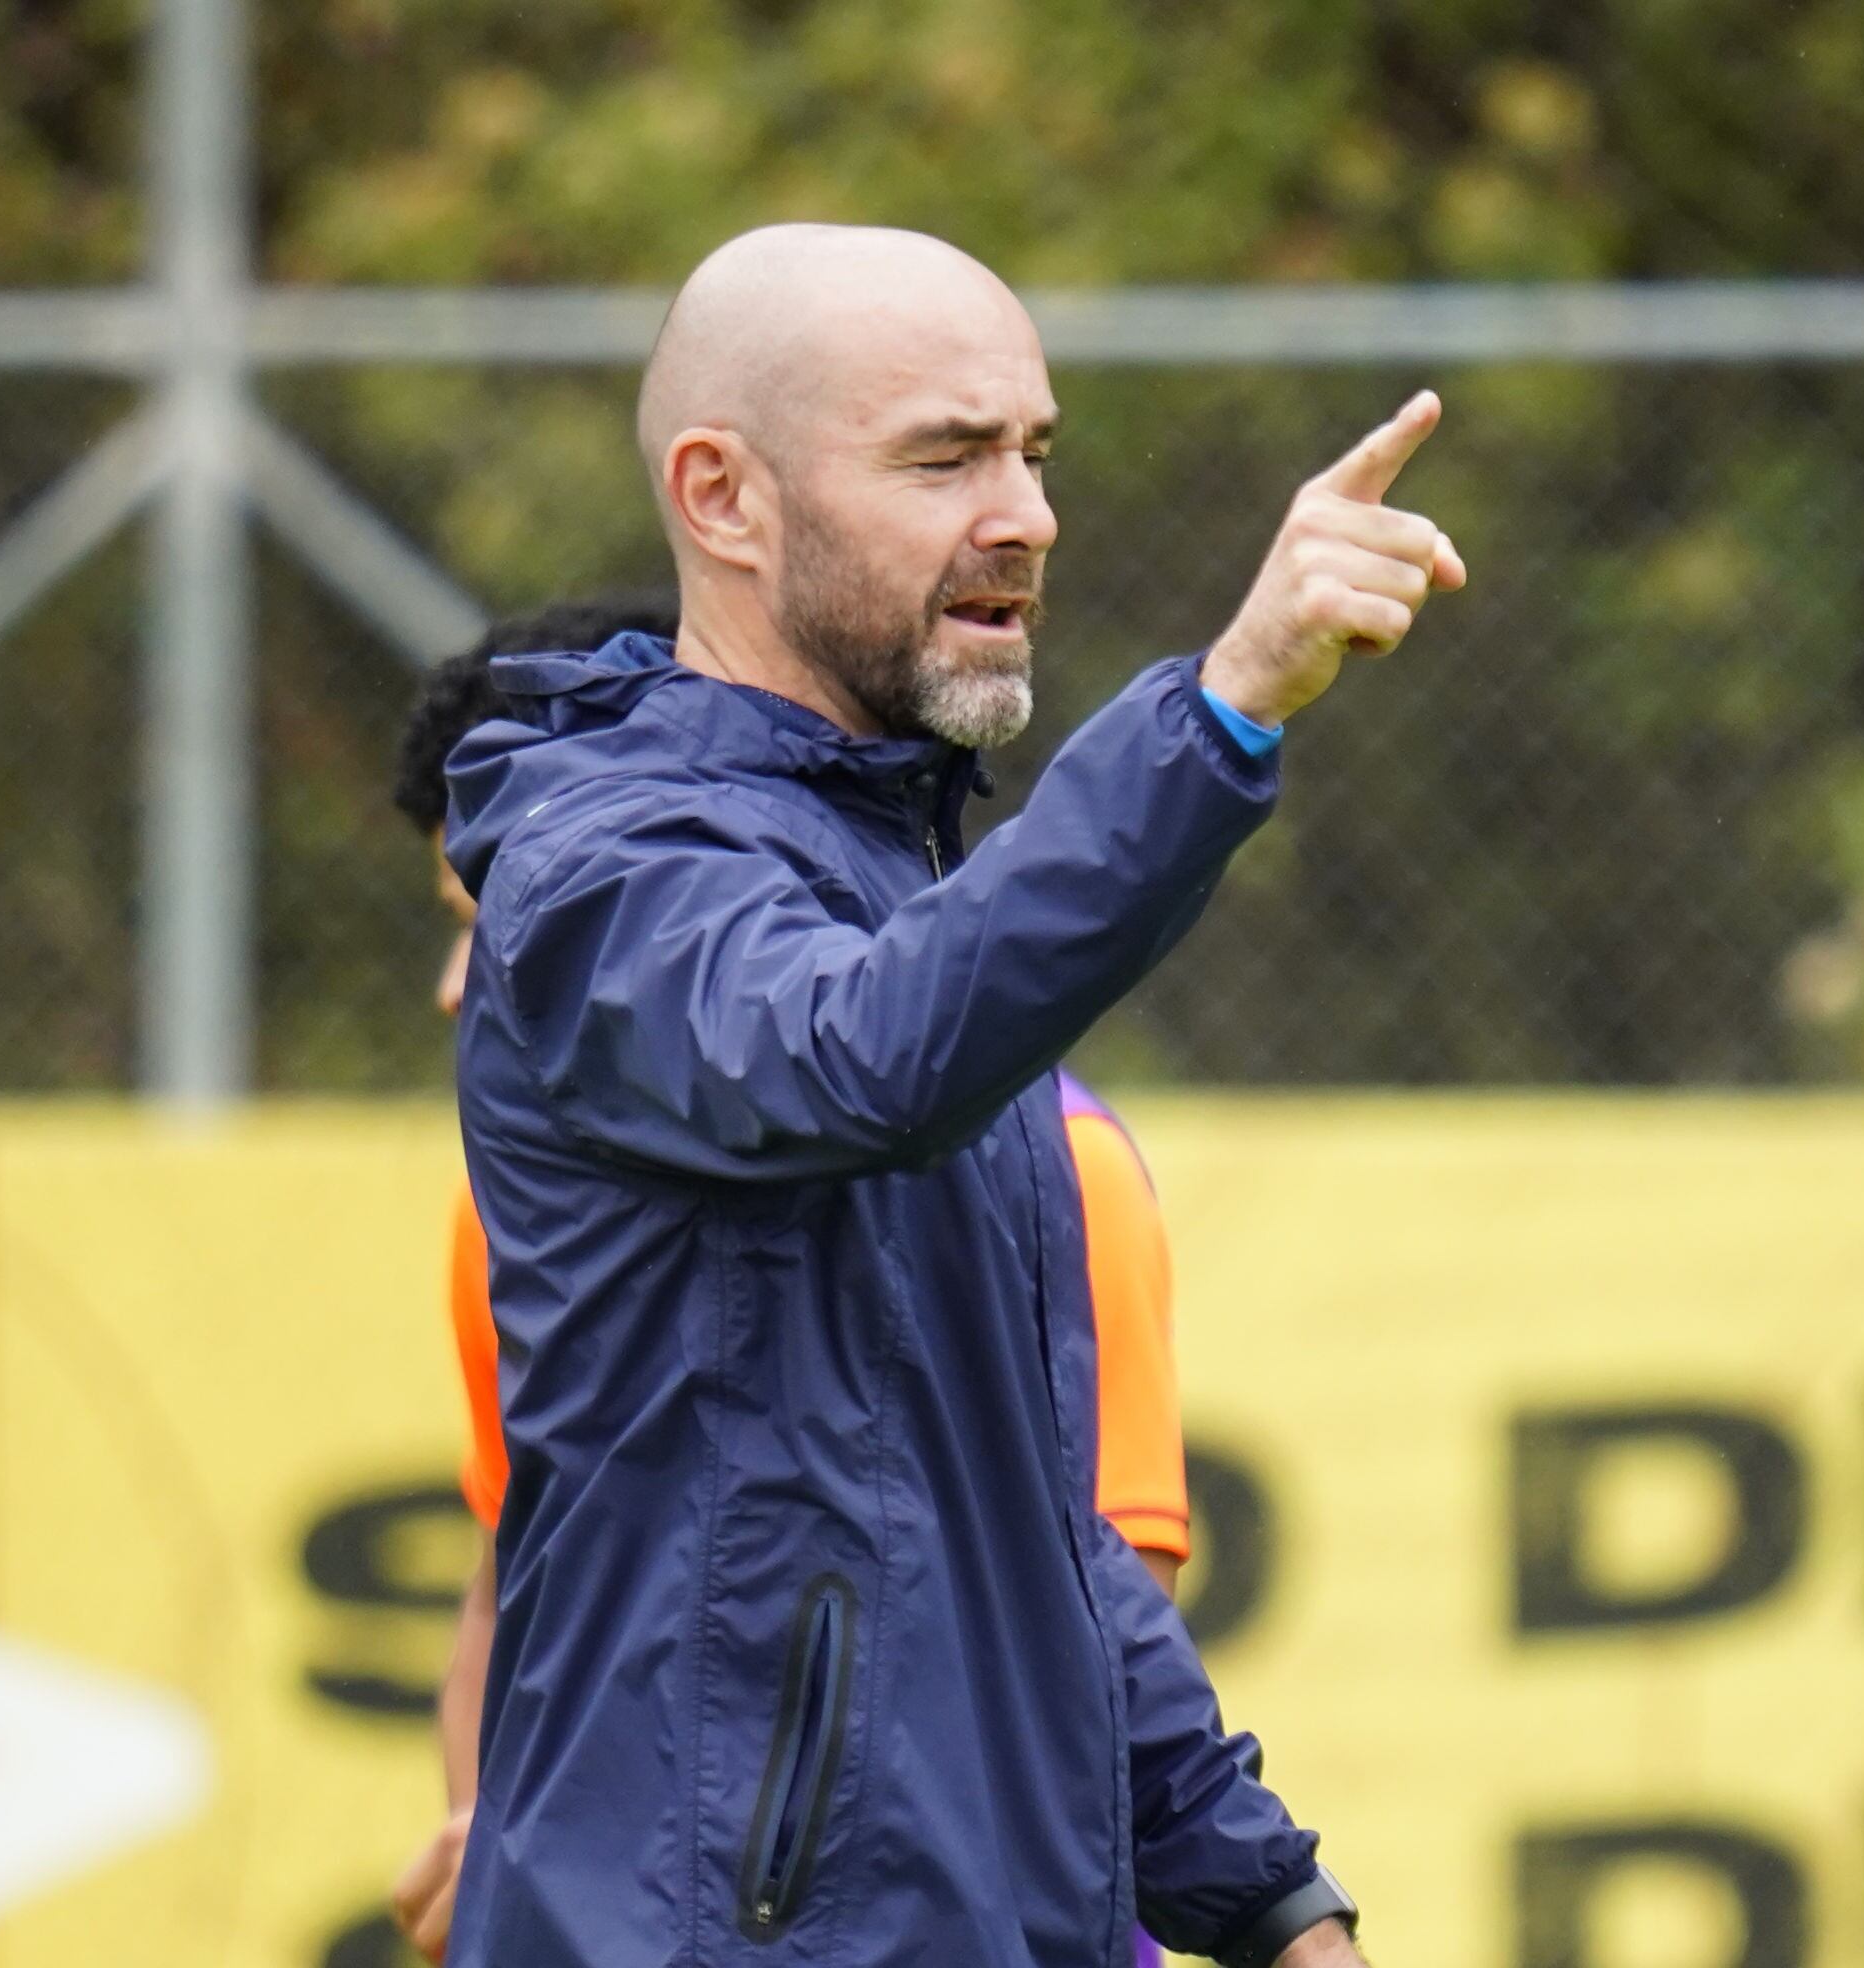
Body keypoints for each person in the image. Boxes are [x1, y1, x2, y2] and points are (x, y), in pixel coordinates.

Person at [443, 224, 1461, 1968]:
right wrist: (1217, 717)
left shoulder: (904, 900)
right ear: (724, 499)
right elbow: (855, 1056)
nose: (1027, 515)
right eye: (944, 458)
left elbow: (1022, 1518)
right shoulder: (612, 869)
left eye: (1034, 454)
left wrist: (1273, 1902)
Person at [382, 601, 1203, 1964]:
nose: (461, 984)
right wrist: (496, 1839)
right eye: (461, 916)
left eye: (498, 916)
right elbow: (511, 1587)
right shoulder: (507, 1218)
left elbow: (1082, 1646)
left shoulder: (1063, 1165)